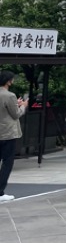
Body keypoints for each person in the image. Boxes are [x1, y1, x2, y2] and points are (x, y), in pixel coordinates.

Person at [0, 71, 26, 203]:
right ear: (8, 81)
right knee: (7, 162)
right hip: (8, 133)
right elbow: (15, 114)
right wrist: (22, 107)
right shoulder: (9, 95)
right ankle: (0, 192)